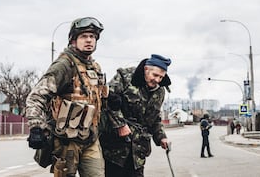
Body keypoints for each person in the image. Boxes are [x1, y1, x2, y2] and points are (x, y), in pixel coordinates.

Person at [25, 17, 107, 177]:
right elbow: (36, 96)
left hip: (90, 138)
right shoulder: (64, 65)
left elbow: (98, 100)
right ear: (73, 40)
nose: (89, 40)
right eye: (84, 36)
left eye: (92, 36)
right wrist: (36, 127)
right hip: (66, 141)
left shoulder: (95, 67)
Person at [100, 54, 172, 177]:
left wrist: (161, 137)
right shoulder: (125, 77)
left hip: (138, 151)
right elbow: (107, 101)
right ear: (146, 69)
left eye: (161, 77)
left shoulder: (160, 91)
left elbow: (154, 118)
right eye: (155, 75)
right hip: (114, 148)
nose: (157, 80)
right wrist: (120, 125)